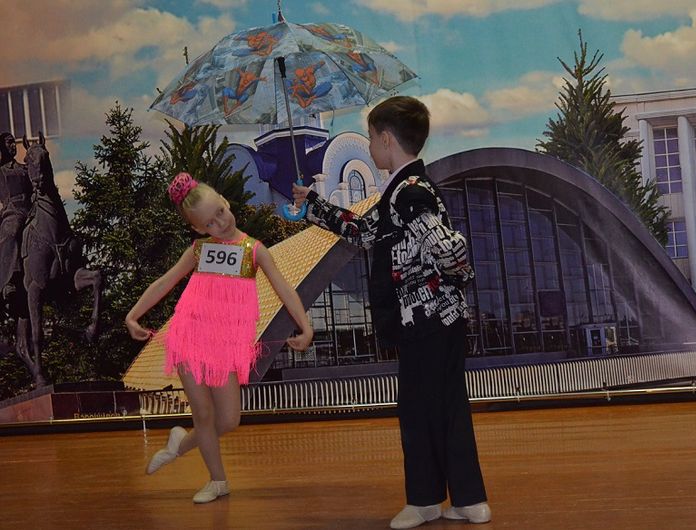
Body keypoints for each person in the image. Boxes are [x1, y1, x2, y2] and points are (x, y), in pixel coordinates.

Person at [293, 96, 491, 529]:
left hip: (425, 321)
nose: (369, 147)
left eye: (370, 138)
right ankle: (469, 501)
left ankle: (424, 502)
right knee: (447, 407)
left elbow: (449, 249)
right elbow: (367, 233)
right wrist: (314, 205)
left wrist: (454, 277)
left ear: (386, 140)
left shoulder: (409, 193)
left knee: (418, 411)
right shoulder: (409, 189)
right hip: (439, 321)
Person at [126, 172, 313, 504]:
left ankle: (180, 445)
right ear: (199, 229)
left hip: (225, 346)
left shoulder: (254, 250)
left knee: (228, 419)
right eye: (209, 223)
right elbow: (166, 281)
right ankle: (218, 481)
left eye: (221, 213)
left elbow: (284, 288)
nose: (220, 223)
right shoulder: (199, 250)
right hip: (190, 335)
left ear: (226, 203)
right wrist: (132, 316)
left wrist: (305, 326)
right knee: (203, 415)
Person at [0, 132, 31, 303]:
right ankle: (9, 278)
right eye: (9, 142)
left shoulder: (24, 168)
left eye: (14, 142)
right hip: (12, 211)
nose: (13, 145)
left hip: (31, 209)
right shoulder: (0, 171)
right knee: (11, 233)